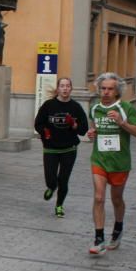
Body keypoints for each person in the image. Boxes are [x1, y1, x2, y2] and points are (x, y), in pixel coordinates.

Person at [86, 72, 136, 256]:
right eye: (103, 88)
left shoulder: (126, 107)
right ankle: (99, 239)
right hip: (99, 159)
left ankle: (117, 230)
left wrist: (122, 122)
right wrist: (92, 133)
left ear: (117, 91)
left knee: (116, 199)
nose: (106, 92)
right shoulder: (94, 108)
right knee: (98, 197)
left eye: (110, 89)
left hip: (120, 162)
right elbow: (95, 128)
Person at [34, 77, 89, 218]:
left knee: (64, 180)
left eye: (68, 86)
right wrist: (44, 131)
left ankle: (59, 205)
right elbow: (38, 123)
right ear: (58, 88)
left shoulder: (75, 107)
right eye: (62, 86)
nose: (65, 88)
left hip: (69, 149)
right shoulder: (48, 105)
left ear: (71, 89)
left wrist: (74, 125)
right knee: (51, 179)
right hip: (51, 148)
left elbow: (83, 129)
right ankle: (51, 187)